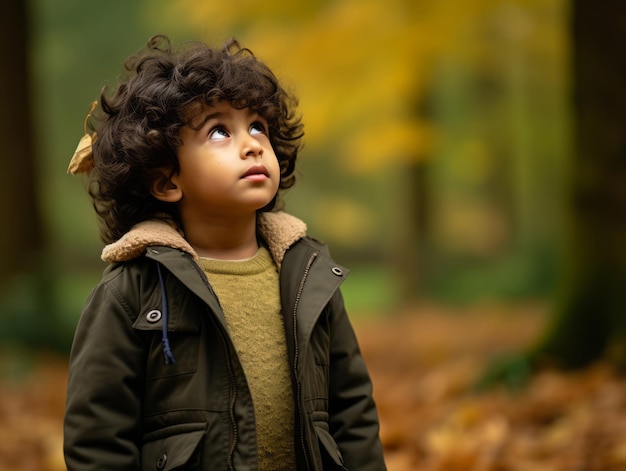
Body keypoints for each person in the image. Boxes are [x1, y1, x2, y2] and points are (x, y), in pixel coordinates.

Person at [63, 34, 387, 471]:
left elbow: (352, 411)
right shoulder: (132, 290)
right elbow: (98, 437)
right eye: (219, 130)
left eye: (257, 126)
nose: (252, 143)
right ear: (166, 180)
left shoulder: (308, 274)